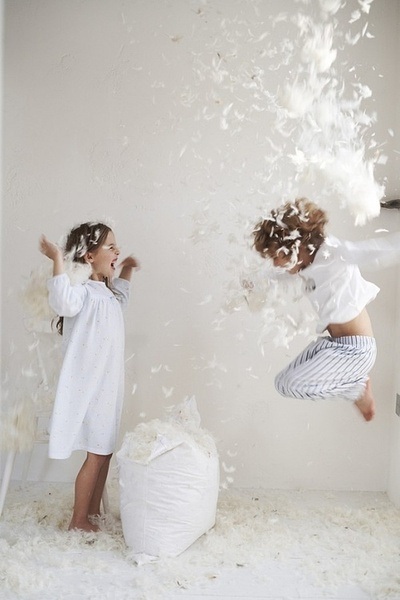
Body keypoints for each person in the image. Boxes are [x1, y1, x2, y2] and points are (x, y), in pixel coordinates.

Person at [253, 197, 400, 422]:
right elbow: (279, 276)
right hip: (330, 345)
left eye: (276, 256)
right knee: (283, 381)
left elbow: (374, 252)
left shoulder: (333, 252)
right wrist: (253, 282)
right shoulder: (304, 266)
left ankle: (357, 390)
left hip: (356, 352)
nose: (275, 263)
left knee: (288, 384)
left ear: (295, 245)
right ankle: (356, 387)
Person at [39, 222, 139, 532]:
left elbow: (122, 298)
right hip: (89, 385)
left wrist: (127, 270)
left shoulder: (108, 295)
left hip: (108, 386)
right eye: (111, 247)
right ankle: (78, 519)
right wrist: (57, 258)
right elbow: (61, 301)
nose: (117, 250)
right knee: (95, 454)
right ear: (89, 256)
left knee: (104, 452)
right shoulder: (81, 293)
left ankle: (93, 513)